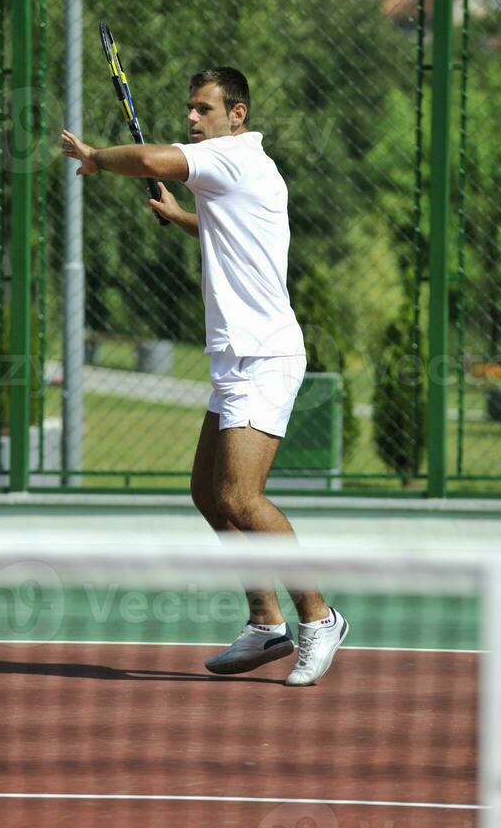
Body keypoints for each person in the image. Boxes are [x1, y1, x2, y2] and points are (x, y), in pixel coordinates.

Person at [60, 67, 347, 686]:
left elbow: (152, 159)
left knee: (242, 497)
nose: (192, 118)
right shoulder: (243, 169)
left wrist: (96, 157)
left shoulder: (230, 159)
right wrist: (183, 218)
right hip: (233, 357)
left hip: (263, 357)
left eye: (202, 109)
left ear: (236, 114)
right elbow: (229, 233)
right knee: (208, 494)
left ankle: (319, 617)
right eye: (189, 109)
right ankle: (265, 622)